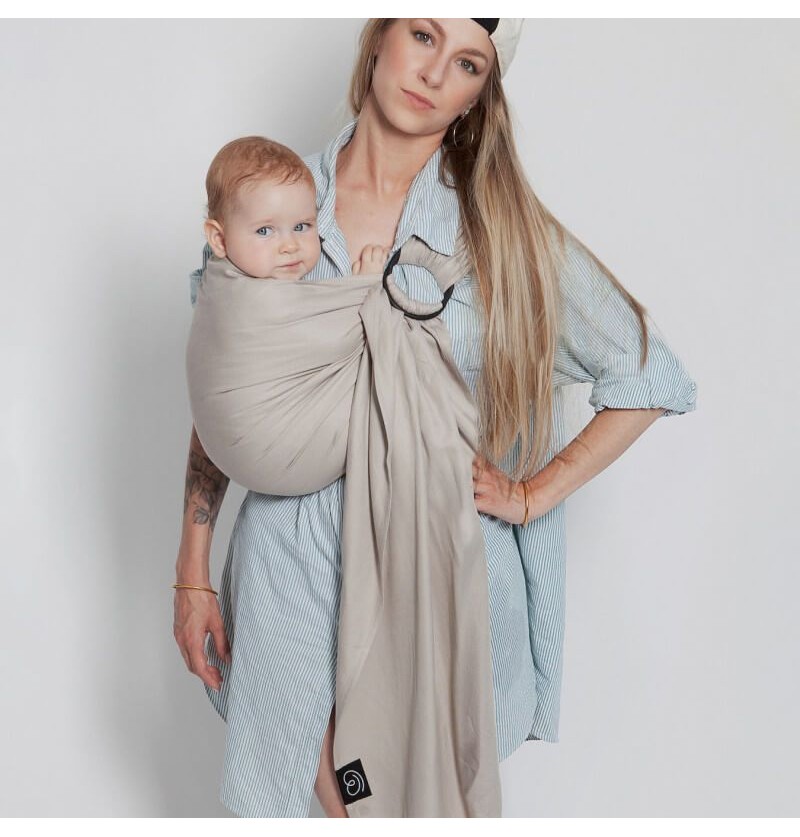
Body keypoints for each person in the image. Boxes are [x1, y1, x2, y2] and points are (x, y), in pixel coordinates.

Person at [173, 18, 698, 819]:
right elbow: (227, 394)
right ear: (378, 38)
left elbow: (649, 371)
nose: (433, 72)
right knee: (331, 794)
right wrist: (192, 570)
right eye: (422, 36)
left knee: (411, 800)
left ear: (478, 96)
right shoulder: (272, 205)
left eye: (467, 64)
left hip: (436, 579)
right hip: (294, 575)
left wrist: (531, 493)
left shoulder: (500, 234)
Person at [199, 134, 390, 280]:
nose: (290, 246)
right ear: (219, 239)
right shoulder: (237, 296)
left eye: (301, 227)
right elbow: (329, 321)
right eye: (264, 231)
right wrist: (364, 287)